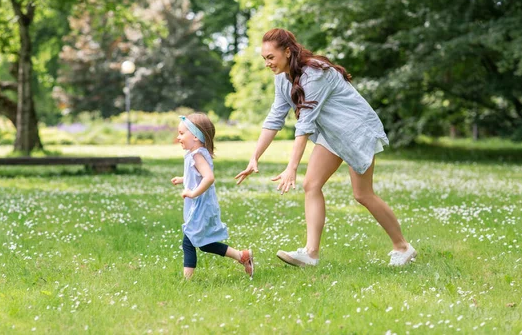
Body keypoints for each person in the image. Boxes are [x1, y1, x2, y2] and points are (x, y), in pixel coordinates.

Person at [234, 28, 416, 267]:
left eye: (270, 57)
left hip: (356, 130)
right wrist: (254, 157)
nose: (267, 63)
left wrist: (292, 167)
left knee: (362, 194)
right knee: (312, 184)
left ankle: (403, 247)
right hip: (332, 135)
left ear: (287, 52)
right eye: (264, 59)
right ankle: (311, 253)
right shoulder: (282, 80)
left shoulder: (314, 74)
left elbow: (305, 124)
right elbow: (275, 119)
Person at [172, 113, 254, 279]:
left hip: (200, 206)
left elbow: (209, 177)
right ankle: (242, 256)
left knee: (188, 241)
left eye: (182, 133)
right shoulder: (194, 153)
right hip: (200, 205)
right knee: (204, 243)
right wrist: (184, 180)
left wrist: (192, 192)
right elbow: (199, 175)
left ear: (195, 136)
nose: (178, 137)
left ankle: (186, 282)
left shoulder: (197, 155)